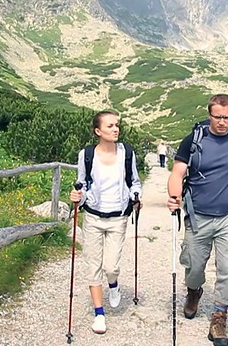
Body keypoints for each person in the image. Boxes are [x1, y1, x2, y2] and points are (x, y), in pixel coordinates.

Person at [166, 94, 228, 346]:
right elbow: (177, 172)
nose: (221, 122)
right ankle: (194, 291)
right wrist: (174, 196)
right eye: (217, 116)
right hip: (198, 216)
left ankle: (219, 317)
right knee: (194, 267)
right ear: (209, 115)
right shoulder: (193, 141)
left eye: (226, 117)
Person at [69, 110, 143, 335]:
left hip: (118, 217)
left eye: (117, 125)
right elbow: (81, 183)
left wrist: (136, 196)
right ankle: (99, 314)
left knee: (111, 267)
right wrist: (76, 196)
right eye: (110, 126)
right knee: (94, 266)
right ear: (98, 131)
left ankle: (113, 284)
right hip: (92, 216)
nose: (115, 129)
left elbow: (135, 182)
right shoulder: (87, 154)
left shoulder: (127, 153)